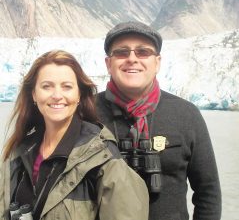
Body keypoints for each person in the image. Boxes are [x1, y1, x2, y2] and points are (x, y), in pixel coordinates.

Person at [0, 50, 149, 220]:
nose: (57, 95)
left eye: (67, 87)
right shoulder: (18, 152)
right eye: (46, 86)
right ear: (34, 94)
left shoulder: (103, 158)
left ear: (79, 94)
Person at [95, 21, 222, 220]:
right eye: (121, 52)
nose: (132, 59)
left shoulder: (186, 114)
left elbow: (208, 192)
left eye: (143, 52)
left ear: (157, 62)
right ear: (108, 63)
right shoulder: (87, 113)